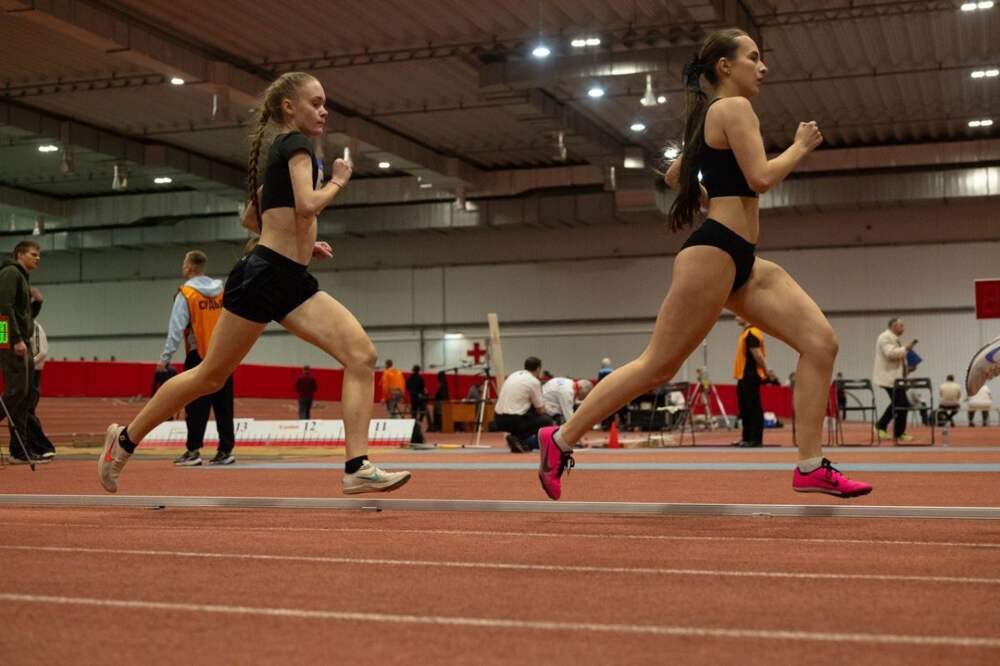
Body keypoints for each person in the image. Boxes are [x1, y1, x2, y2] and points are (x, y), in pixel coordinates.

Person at [533, 29, 872, 500]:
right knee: (658, 366)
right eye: (754, 57)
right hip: (714, 252)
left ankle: (811, 466)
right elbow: (760, 177)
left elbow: (677, 176)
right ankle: (560, 438)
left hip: (741, 257)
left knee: (820, 344)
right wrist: (799, 146)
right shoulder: (734, 108)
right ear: (725, 66)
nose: (763, 67)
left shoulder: (710, 117)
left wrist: (712, 195)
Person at [98, 71, 410, 495]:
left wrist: (304, 243)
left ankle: (357, 466)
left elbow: (253, 216)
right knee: (210, 376)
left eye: (325, 104)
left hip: (288, 277)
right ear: (289, 107)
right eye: (316, 103)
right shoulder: (297, 145)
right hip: (265, 276)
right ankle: (124, 441)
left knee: (361, 356)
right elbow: (307, 205)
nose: (324, 111)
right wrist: (339, 180)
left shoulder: (286, 150)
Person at [158, 250, 236, 467]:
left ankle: (193, 451)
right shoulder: (221, 292)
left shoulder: (187, 294)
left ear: (190, 267)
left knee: (195, 405)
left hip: (199, 355)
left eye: (184, 262)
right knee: (224, 405)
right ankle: (225, 451)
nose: (183, 266)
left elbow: (176, 328)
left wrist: (165, 358)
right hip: (224, 354)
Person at [0, 240, 47, 464]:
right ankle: (19, 449)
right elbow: (3, 309)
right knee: (17, 391)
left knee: (25, 395)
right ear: (20, 254)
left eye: (38, 255)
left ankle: (20, 450)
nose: (38, 258)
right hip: (11, 341)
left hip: (19, 341)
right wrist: (13, 340)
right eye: (33, 254)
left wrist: (37, 303)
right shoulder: (10, 273)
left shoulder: (22, 277)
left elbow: (24, 317)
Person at [495, 356, 554, 453]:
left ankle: (517, 440)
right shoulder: (534, 381)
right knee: (546, 420)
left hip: (498, 419)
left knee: (528, 411)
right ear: (538, 369)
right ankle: (520, 439)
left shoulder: (513, 375)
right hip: (514, 420)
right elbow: (540, 410)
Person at [732, 316, 773, 447]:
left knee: (752, 407)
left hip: (750, 375)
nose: (735, 317)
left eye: (738, 315)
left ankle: (755, 439)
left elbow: (757, 355)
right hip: (743, 375)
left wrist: (766, 370)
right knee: (744, 407)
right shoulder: (746, 333)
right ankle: (746, 437)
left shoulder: (752, 333)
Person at [873, 317, 916, 442]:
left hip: (895, 377)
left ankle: (892, 430)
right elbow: (890, 354)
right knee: (901, 403)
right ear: (893, 326)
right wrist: (906, 348)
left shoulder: (894, 338)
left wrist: (907, 369)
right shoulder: (885, 337)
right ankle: (884, 427)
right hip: (888, 377)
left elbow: (897, 358)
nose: (903, 328)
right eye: (901, 325)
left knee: (901, 403)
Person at [26, 288, 55, 459]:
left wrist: (25, 364)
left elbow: (42, 351)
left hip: (31, 373)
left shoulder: (34, 326)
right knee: (20, 412)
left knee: (24, 410)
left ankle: (43, 447)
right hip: (16, 373)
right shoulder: (5, 323)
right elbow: (3, 342)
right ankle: (26, 448)